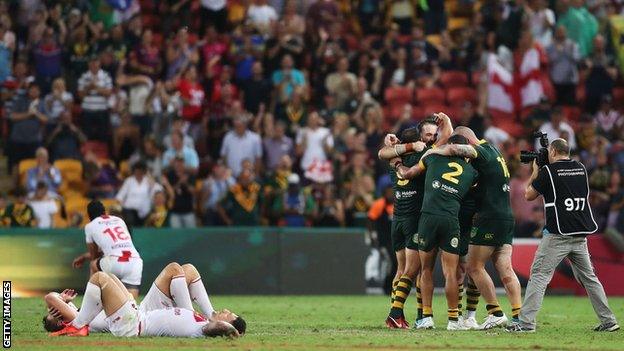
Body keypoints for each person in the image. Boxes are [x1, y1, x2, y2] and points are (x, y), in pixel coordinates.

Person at [507, 139, 619, 333]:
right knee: (589, 278)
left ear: (552, 151)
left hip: (558, 235)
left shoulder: (548, 172)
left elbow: (529, 195)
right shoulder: (581, 168)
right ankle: (609, 320)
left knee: (539, 276)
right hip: (579, 234)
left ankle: (525, 324)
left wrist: (536, 171)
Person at [424, 126, 522, 330]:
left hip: (487, 217)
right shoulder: (494, 151)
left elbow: (458, 150)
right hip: (506, 216)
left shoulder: (481, 151)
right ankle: (519, 317)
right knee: (505, 269)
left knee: (473, 267)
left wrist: (435, 151)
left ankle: (494, 313)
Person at [395, 134, 478, 331]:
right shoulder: (472, 172)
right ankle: (453, 321)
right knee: (451, 273)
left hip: (428, 218)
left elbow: (406, 175)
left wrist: (397, 164)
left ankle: (427, 317)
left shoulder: (431, 157)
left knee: (425, 270)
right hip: (451, 219)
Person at [376, 115, 452, 329]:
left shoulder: (394, 159)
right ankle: (402, 313)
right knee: (416, 270)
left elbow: (383, 152)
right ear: (419, 139)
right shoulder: (423, 156)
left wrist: (396, 144)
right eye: (428, 136)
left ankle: (399, 314)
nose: (431, 139)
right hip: (414, 220)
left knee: (401, 270)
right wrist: (445, 121)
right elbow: (445, 138)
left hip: (397, 219)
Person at [48, 271, 241, 338]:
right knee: (108, 277)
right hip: (135, 317)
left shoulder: (200, 329)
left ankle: (77, 328)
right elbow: (220, 326)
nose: (226, 312)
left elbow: (50, 297)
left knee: (100, 277)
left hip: (132, 323)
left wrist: (232, 331)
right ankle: (77, 328)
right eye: (54, 315)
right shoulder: (200, 324)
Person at [72, 200, 143, 298]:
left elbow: (94, 256)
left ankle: (90, 303)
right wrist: (84, 256)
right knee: (132, 306)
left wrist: (85, 257)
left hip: (114, 262)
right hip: (135, 262)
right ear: (105, 212)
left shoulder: (90, 226)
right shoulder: (119, 220)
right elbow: (118, 245)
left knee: (93, 265)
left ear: (89, 216)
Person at [115, 161, 163, 226]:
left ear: (143, 172)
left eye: (140, 171)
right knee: (131, 221)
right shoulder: (129, 181)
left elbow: (158, 189)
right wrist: (121, 207)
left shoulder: (148, 181)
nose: (138, 173)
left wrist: (149, 176)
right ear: (134, 171)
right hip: (129, 210)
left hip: (145, 212)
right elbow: (120, 196)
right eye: (137, 171)